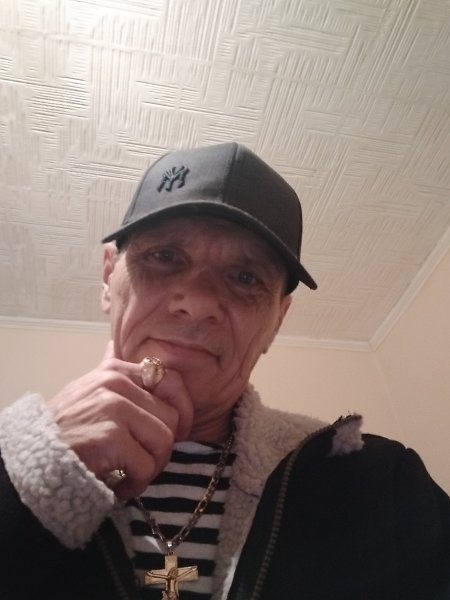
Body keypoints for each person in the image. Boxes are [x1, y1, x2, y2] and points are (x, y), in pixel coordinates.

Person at [0, 142, 449, 600]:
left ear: (277, 321)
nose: (198, 303)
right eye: (165, 256)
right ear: (107, 278)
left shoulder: (378, 482)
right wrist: (28, 474)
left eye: (245, 278)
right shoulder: (6, 459)